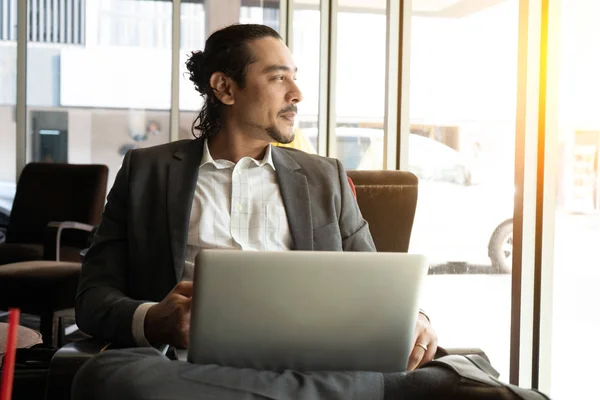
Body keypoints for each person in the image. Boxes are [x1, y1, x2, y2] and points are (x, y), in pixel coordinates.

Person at [73, 24, 443, 400]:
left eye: (294, 78)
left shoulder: (324, 177)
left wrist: (418, 320)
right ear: (225, 88)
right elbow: (93, 298)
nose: (296, 94)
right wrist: (154, 320)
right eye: (279, 78)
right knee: (105, 375)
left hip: (308, 365)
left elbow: (378, 287)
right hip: (189, 370)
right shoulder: (146, 172)